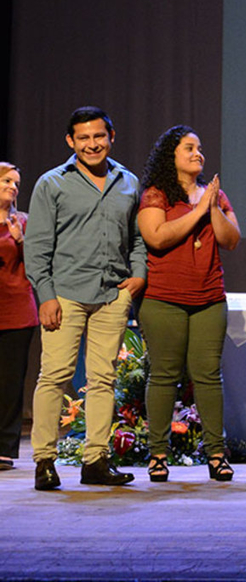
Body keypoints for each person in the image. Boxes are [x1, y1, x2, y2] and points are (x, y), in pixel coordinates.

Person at [25, 106, 146, 490]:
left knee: (103, 379)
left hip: (112, 294)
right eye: (84, 138)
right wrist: (45, 295)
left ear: (112, 137)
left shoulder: (128, 181)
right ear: (71, 141)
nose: (92, 144)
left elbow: (138, 237)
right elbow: (38, 245)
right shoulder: (52, 183)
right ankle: (45, 460)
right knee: (55, 376)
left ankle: (96, 460)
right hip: (66, 294)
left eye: (99, 136)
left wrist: (138, 274)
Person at [137, 125, 241, 482]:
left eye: (200, 148)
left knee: (208, 376)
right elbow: (157, 236)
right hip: (164, 298)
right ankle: (158, 455)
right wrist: (198, 211)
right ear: (172, 156)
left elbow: (231, 239)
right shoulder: (157, 194)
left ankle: (215, 453)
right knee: (165, 375)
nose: (198, 153)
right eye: (189, 148)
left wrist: (211, 207)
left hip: (209, 297)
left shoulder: (215, 195)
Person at [0, 163, 38, 471]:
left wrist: (21, 239)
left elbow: (38, 266)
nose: (13, 186)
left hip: (17, 312)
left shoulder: (23, 222)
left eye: (17, 182)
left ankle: (5, 449)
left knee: (11, 383)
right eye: (7, 180)